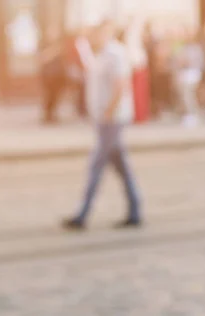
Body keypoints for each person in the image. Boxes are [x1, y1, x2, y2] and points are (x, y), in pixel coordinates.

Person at [63, 20, 141, 230]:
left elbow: (121, 85)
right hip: (102, 119)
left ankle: (82, 214)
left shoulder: (116, 54)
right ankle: (135, 210)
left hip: (112, 120)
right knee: (121, 166)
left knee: (96, 165)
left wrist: (107, 113)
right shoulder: (99, 54)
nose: (92, 36)